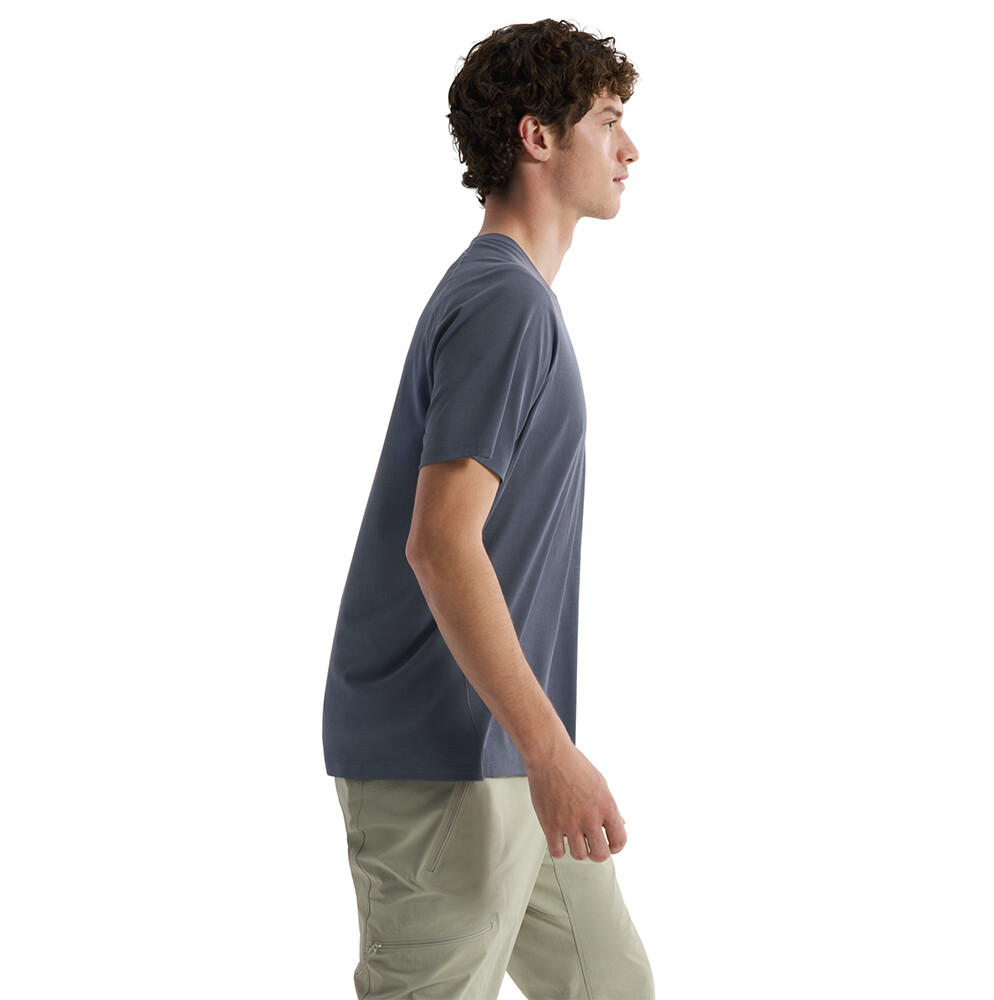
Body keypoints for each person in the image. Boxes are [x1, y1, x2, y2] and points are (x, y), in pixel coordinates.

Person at [322, 18, 654, 1000]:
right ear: (537, 137)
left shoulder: (516, 300)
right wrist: (553, 754)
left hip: (507, 745)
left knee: (611, 985)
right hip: (442, 758)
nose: (630, 148)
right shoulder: (504, 303)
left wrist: (543, 750)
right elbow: (441, 543)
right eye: (608, 120)